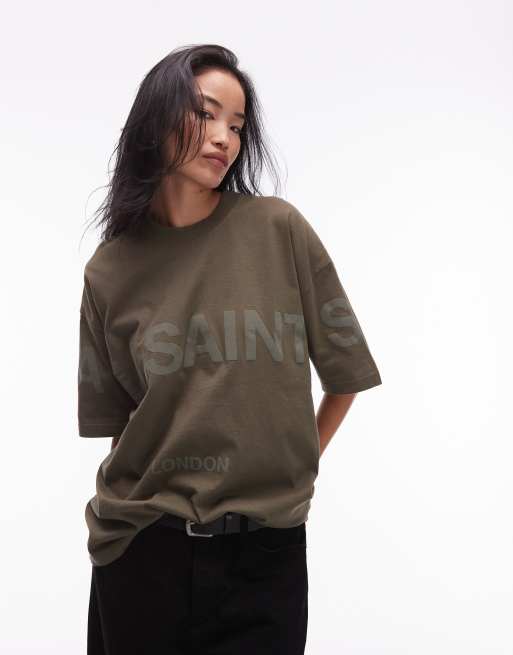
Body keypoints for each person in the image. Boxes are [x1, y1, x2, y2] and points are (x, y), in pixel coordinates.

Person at [78, 44, 382, 655]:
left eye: (238, 126)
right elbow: (123, 427)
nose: (225, 137)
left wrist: (289, 468)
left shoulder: (278, 229)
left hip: (265, 555)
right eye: (205, 113)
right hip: (141, 554)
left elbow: (344, 376)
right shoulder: (109, 270)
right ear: (157, 118)